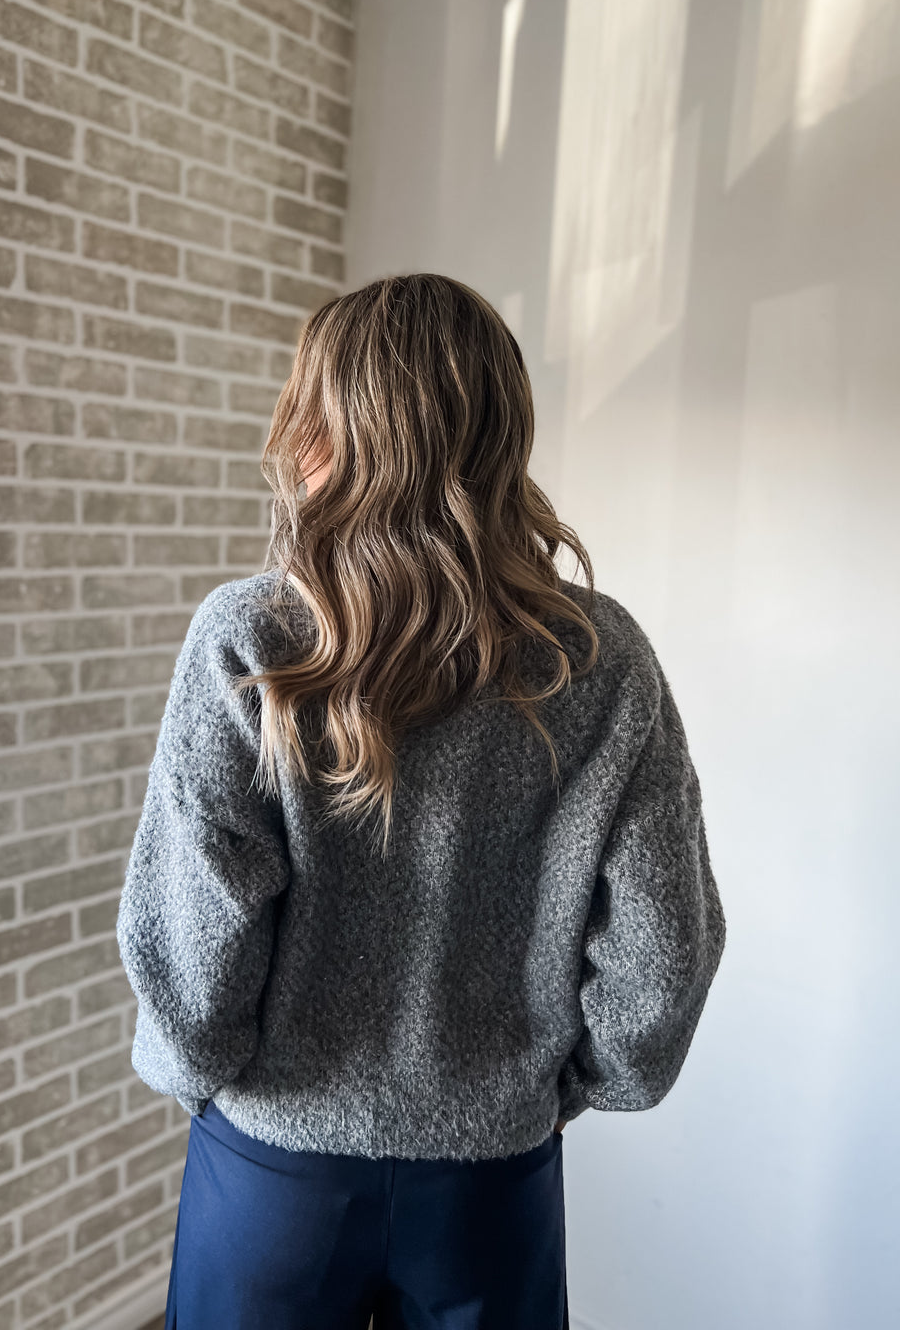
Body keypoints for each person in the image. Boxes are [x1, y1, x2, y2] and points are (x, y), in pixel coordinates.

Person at [115, 273, 727, 1329]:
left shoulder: (252, 637)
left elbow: (191, 931)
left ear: (320, 429)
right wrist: (554, 1092)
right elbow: (665, 953)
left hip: (273, 1176)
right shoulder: (603, 657)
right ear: (502, 433)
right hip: (492, 1178)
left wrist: (204, 1079)